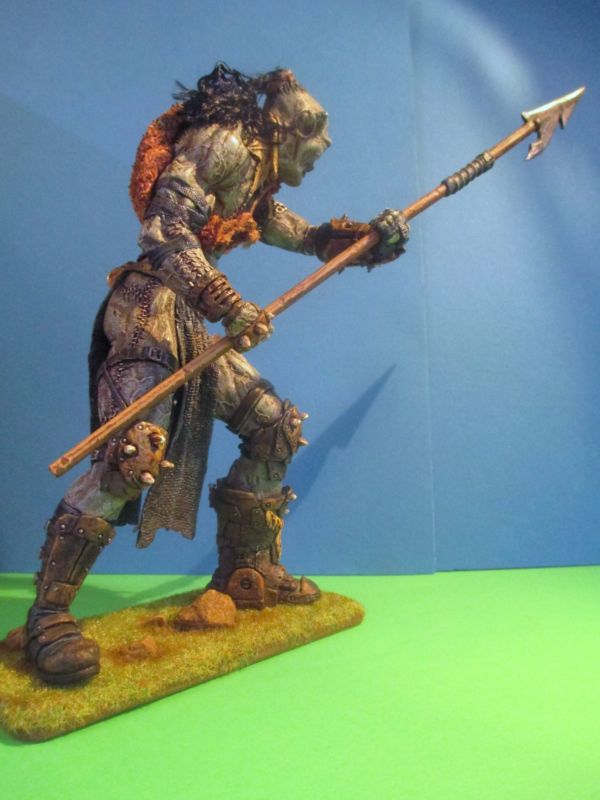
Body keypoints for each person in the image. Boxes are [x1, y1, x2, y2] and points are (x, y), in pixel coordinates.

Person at [24, 64, 410, 685]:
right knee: (133, 453)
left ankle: (246, 571)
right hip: (147, 311)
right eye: (315, 136)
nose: (323, 149)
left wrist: (370, 239)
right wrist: (226, 302)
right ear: (284, 127)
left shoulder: (255, 179)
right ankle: (48, 616)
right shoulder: (226, 144)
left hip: (188, 322)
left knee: (274, 427)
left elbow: (307, 236)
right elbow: (163, 226)